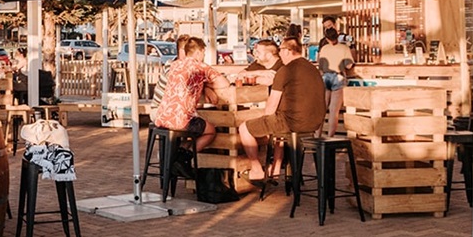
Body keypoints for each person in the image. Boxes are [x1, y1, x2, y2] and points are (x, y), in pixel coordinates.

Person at [238, 37, 326, 183]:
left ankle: (257, 170)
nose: (280, 54)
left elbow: (270, 108)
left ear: (287, 51)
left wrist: (262, 124)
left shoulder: (285, 70)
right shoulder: (313, 69)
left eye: (281, 50)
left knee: (244, 129)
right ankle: (275, 170)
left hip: (292, 123)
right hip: (314, 124)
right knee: (276, 128)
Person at [151, 38, 230, 167]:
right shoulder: (200, 67)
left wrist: (205, 85)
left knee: (192, 132)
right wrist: (209, 85)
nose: (204, 56)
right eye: (203, 53)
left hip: (161, 117)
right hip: (181, 121)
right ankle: (182, 159)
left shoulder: (174, 65)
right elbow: (224, 83)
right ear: (199, 52)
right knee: (210, 131)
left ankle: (176, 157)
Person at [317, 26, 355, 138]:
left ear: (327, 38)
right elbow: (349, 65)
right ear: (338, 37)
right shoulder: (344, 48)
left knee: (322, 109)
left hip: (325, 77)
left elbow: (320, 65)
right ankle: (330, 137)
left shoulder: (324, 49)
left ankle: (317, 135)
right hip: (338, 77)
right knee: (334, 111)